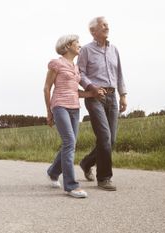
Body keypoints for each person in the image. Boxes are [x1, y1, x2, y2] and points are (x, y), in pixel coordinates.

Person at [44, 34, 104, 198]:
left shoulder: (76, 67)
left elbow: (75, 91)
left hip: (74, 107)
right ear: (68, 45)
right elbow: (47, 88)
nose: (80, 45)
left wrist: (92, 94)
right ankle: (71, 186)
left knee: (69, 143)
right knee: (69, 141)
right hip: (60, 106)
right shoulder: (56, 63)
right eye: (77, 42)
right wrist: (49, 112)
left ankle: (52, 172)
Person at [77, 16, 127, 191]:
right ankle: (104, 178)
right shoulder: (86, 50)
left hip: (112, 97)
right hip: (94, 97)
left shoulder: (114, 49)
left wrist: (123, 95)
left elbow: (119, 74)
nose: (107, 27)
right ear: (93, 31)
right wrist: (92, 87)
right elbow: (80, 74)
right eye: (103, 25)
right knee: (104, 137)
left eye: (107, 24)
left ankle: (86, 162)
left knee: (111, 140)